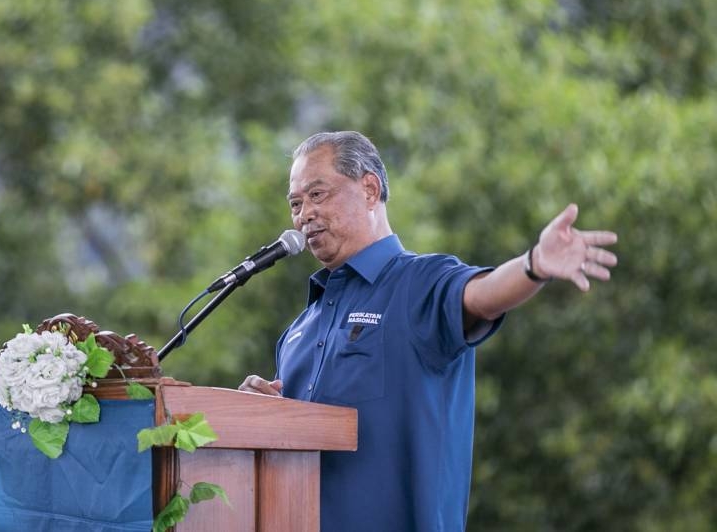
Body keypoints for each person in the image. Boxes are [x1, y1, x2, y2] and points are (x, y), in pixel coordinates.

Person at [238, 131, 618, 532]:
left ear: (369, 189)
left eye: (317, 195)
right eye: (296, 203)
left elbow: (484, 295)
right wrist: (254, 417)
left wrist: (534, 265)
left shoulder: (418, 283)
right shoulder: (299, 329)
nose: (303, 215)